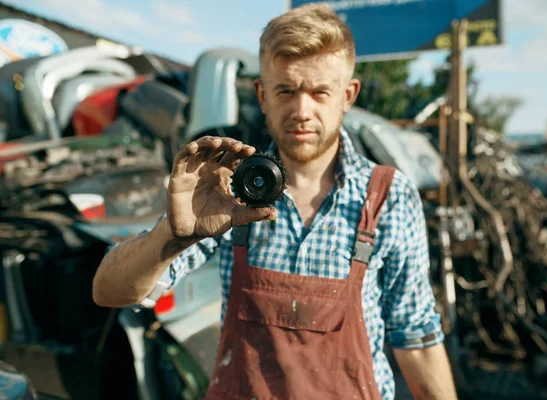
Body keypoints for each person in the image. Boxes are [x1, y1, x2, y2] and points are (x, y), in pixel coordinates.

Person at [92, 4, 458, 399]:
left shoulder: (388, 196)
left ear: (347, 95)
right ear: (263, 95)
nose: (302, 111)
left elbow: (417, 339)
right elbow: (109, 292)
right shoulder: (228, 189)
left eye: (320, 92)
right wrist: (172, 235)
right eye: (286, 90)